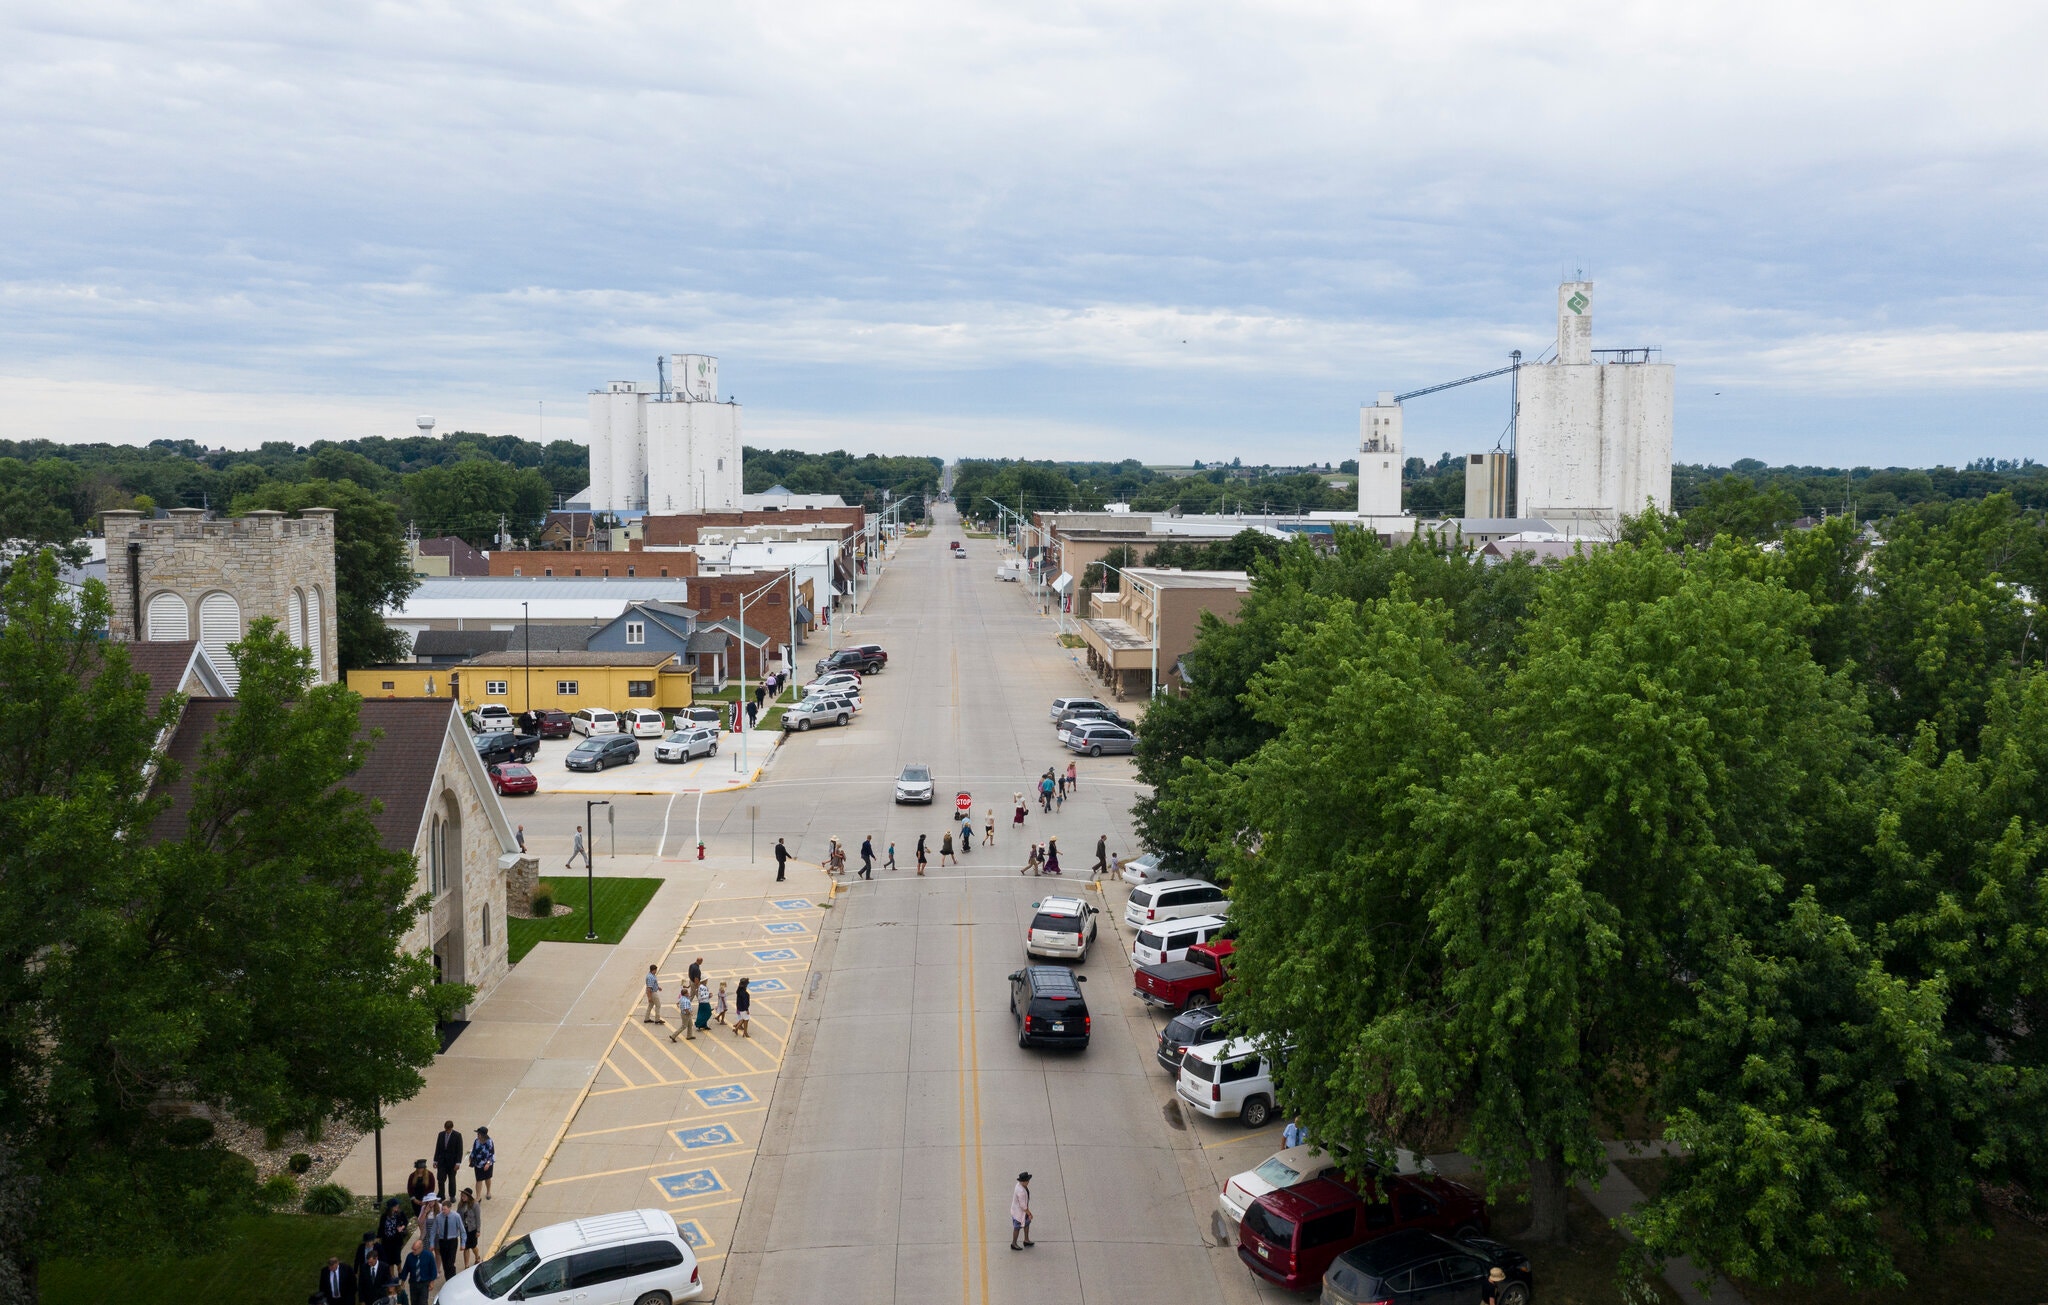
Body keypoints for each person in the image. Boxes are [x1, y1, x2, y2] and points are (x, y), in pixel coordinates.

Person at [428, 1196, 464, 1283]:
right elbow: (433, 1231)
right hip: (442, 1241)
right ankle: (448, 1280)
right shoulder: (438, 1217)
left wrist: (463, 1243)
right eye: (442, 1209)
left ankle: (452, 1280)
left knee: (450, 1263)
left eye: (445, 1209)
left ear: (450, 1208)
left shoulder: (456, 1216)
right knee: (445, 1263)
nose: (443, 1211)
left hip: (452, 1241)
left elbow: (462, 1231)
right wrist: (432, 1244)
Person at [375, 1198, 410, 1275]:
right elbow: (381, 1227)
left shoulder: (400, 1214)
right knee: (389, 1259)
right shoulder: (384, 1216)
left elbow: (405, 1221)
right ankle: (392, 1275)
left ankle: (400, 1270)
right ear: (391, 1207)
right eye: (396, 1205)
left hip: (396, 1240)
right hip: (387, 1241)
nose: (398, 1206)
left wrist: (402, 1227)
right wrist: (378, 1237)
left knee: (397, 1257)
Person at [401, 1237, 439, 1305]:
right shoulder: (409, 1257)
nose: (413, 1251)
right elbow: (405, 1270)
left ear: (421, 1248)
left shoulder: (429, 1255)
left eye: (415, 1250)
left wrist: (432, 1282)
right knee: (414, 1302)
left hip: (424, 1283)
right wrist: (402, 1282)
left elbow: (433, 1269)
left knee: (423, 1302)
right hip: (413, 1283)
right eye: (412, 1249)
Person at [432, 1120, 464, 1200]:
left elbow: (459, 1150)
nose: (447, 1131)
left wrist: (458, 1163)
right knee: (440, 1179)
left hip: (452, 1162)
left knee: (452, 1179)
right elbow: (438, 1148)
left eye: (448, 1129)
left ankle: (452, 1195)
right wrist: (435, 1160)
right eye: (446, 1129)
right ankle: (441, 1195)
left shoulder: (457, 1135)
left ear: (451, 1128)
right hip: (442, 1161)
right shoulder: (441, 1134)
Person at [457, 1189, 482, 1268]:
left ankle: (477, 1256)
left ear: (468, 1197)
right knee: (466, 1247)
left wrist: (478, 1230)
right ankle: (466, 1265)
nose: (462, 1198)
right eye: (462, 1196)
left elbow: (478, 1218)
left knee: (473, 1246)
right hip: (463, 1229)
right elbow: (458, 1216)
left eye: (464, 1196)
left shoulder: (475, 1205)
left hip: (472, 1229)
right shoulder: (460, 1205)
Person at [1009, 1172, 1034, 1249]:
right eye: (1027, 1180)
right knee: (1017, 1227)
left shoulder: (1019, 1185)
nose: (1028, 1182)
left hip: (1021, 1212)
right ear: (1023, 1181)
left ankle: (1026, 1240)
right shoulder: (1021, 1192)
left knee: (1027, 1223)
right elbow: (1023, 1206)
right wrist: (1029, 1213)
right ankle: (1014, 1243)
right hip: (1019, 1213)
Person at [470, 1126, 495, 1200]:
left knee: (487, 1178)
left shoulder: (489, 1142)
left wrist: (487, 1163)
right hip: (478, 1164)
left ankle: (488, 1192)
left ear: (483, 1135)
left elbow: (491, 1153)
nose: (477, 1135)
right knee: (479, 1180)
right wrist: (471, 1158)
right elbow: (474, 1150)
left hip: (487, 1163)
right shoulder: (476, 1141)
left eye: (479, 1134)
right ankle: (478, 1196)